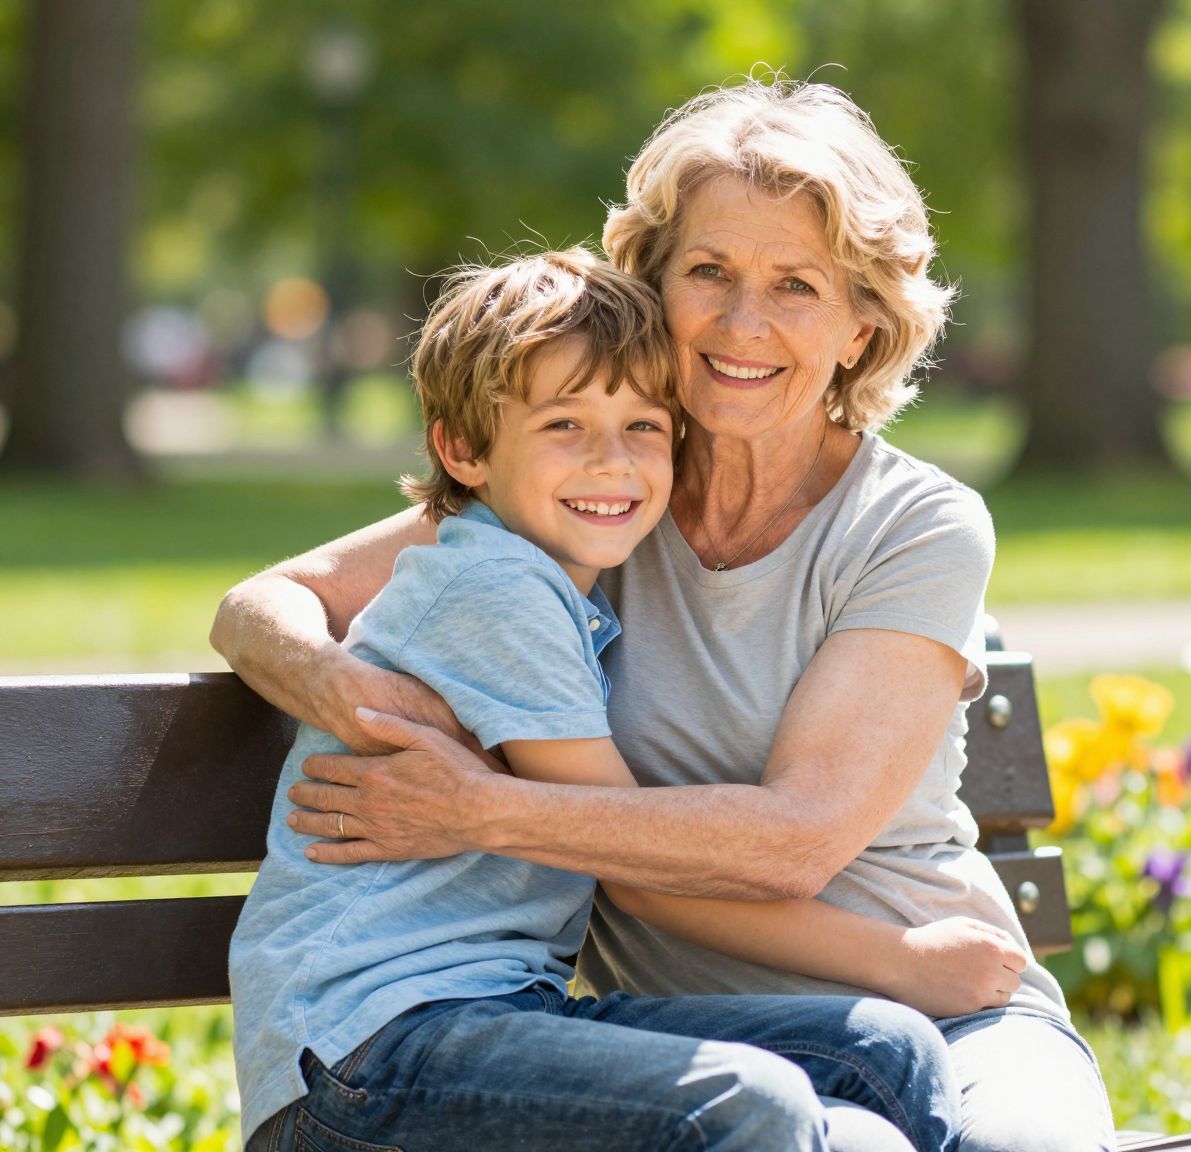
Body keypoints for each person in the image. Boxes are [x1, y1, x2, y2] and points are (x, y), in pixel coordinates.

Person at [213, 79, 1118, 1152]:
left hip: (945, 1002)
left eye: (795, 285)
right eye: (708, 272)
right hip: (662, 1046)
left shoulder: (910, 524)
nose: (743, 322)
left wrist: (478, 808)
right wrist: (348, 692)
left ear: (861, 327)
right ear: (651, 285)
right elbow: (261, 604)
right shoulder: (591, 495)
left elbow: (793, 841)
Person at [229, 249, 964, 1152]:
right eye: (565, 425)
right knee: (748, 1104)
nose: (611, 463)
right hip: (365, 1056)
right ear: (463, 450)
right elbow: (625, 842)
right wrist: (902, 957)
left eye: (643, 426)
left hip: (507, 1014)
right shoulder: (496, 587)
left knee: (890, 1052)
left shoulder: (553, 581)